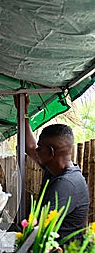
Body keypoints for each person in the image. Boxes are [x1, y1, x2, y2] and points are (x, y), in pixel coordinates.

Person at [14, 94, 90, 240]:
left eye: (40, 148)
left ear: (51, 152)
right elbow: (29, 147)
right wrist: (22, 112)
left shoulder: (66, 184)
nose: (36, 151)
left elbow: (38, 230)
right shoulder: (56, 170)